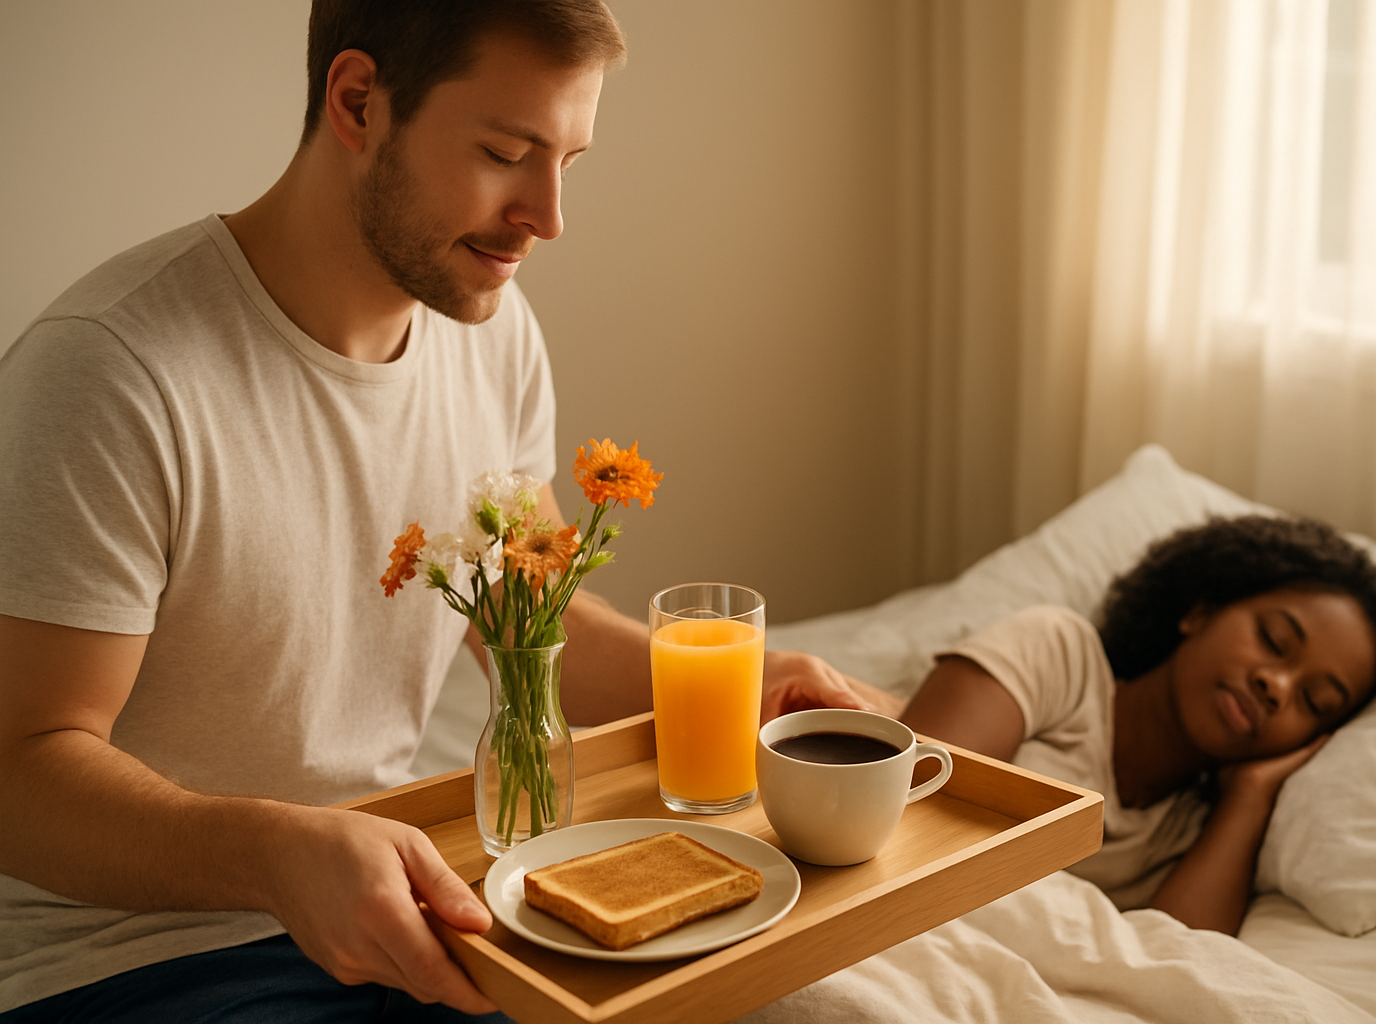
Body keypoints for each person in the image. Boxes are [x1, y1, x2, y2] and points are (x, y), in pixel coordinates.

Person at [0, 3, 884, 1020]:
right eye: (506, 154)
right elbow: (20, 774)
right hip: (136, 960)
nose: (548, 216)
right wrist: (279, 853)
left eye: (568, 161)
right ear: (357, 102)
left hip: (416, 903)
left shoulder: (490, 334)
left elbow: (531, 620)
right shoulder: (112, 374)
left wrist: (729, 680)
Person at [899, 514, 1376, 936]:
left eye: (1314, 701)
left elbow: (1178, 965)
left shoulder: (1191, 834)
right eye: (1274, 641)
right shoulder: (1057, 655)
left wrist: (1251, 795)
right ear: (1199, 611)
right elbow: (908, 822)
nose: (1276, 687)